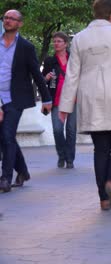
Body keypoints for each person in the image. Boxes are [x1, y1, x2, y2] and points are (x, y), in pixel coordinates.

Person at [58, 0, 111, 210]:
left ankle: (103, 199)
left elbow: (72, 73)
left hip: (90, 96)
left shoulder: (80, 37)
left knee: (101, 148)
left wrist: (65, 106)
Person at [0, 10, 52, 193]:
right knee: (5, 137)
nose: (8, 21)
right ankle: (22, 170)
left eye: (12, 19)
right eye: (5, 17)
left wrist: (46, 99)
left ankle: (5, 178)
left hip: (15, 99)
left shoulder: (26, 47)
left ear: (19, 24)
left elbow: (37, 75)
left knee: (7, 135)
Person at [42, 32, 77, 169]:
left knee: (71, 130)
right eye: (54, 41)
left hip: (74, 98)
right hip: (56, 99)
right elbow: (42, 77)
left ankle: (69, 159)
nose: (56, 43)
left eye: (59, 41)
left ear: (65, 44)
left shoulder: (73, 59)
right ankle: (62, 155)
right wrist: (46, 78)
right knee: (57, 129)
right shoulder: (50, 60)